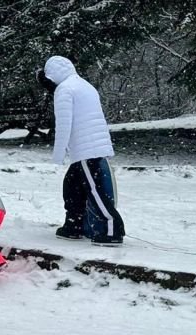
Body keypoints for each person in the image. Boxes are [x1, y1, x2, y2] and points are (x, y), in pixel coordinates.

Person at [39, 55, 125, 246]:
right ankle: (75, 225)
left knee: (95, 190)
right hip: (92, 147)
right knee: (72, 185)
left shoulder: (64, 90)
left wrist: (58, 155)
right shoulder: (83, 85)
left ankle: (112, 230)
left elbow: (64, 125)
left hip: (86, 149)